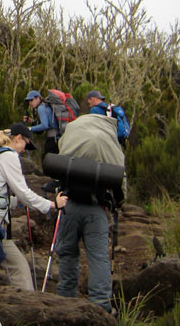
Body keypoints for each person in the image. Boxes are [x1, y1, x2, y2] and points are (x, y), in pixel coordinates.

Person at [55, 114, 124, 314]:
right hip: (96, 210)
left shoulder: (73, 134)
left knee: (67, 253)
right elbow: (120, 181)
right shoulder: (109, 142)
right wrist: (119, 202)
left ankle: (65, 299)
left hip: (69, 206)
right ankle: (100, 305)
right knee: (98, 257)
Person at [0, 123, 67, 291]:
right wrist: (52, 204)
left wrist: (14, 202)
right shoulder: (8, 156)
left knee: (6, 267)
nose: (24, 149)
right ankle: (26, 305)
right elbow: (23, 193)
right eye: (25, 143)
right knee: (19, 268)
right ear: (18, 138)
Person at [23, 90, 58, 157]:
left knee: (48, 161)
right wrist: (32, 122)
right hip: (57, 138)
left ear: (38, 98)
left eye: (31, 100)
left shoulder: (41, 108)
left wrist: (29, 128)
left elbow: (45, 126)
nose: (30, 103)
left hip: (53, 139)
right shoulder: (45, 106)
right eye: (29, 101)